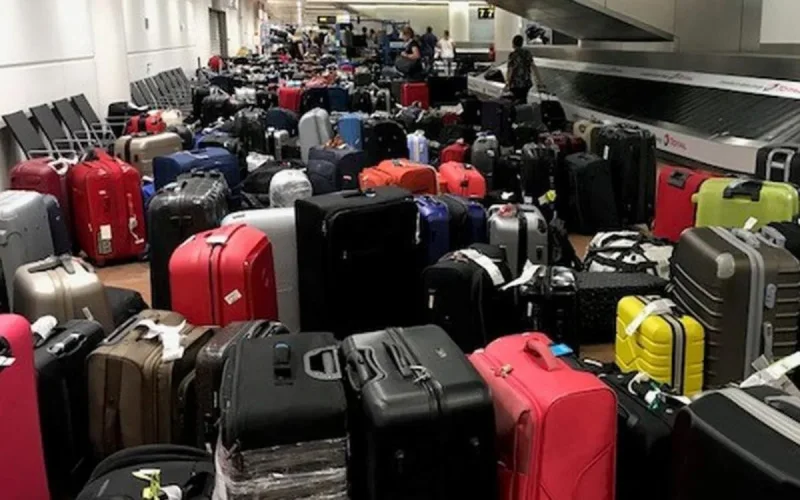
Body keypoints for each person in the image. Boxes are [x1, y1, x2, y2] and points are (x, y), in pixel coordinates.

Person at [506, 34, 545, 103]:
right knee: (523, 100)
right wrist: (540, 81)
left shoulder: (512, 55)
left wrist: (508, 83)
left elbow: (510, 70)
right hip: (526, 83)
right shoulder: (527, 53)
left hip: (515, 84)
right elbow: (533, 67)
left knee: (515, 102)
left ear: (513, 43)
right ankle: (523, 108)